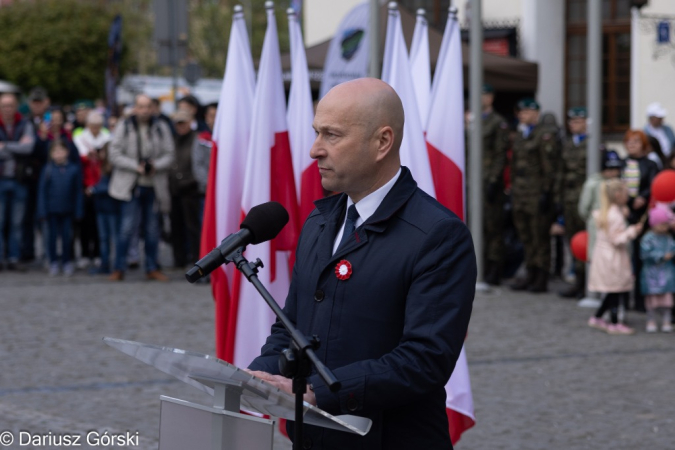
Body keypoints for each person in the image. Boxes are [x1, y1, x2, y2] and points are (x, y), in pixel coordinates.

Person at [247, 78, 476, 450]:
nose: (314, 150)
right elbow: (292, 325)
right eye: (316, 133)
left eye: (331, 135)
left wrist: (318, 392)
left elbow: (424, 359)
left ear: (382, 142)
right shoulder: (321, 220)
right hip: (313, 438)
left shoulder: (437, 235)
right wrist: (259, 376)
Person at [108, 94, 174, 282]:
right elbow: (114, 153)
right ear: (135, 108)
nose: (144, 110)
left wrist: (156, 165)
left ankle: (152, 267)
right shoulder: (125, 125)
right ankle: (118, 267)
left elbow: (170, 154)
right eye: (141, 106)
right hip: (131, 186)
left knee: (153, 229)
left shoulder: (161, 127)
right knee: (126, 228)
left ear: (152, 108)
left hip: (153, 186)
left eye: (148, 106)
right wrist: (134, 165)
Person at [510, 98, 560, 292]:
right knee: (526, 235)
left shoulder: (544, 135)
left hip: (537, 192)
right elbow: (514, 165)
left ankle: (542, 275)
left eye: (526, 112)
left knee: (540, 236)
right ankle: (530, 271)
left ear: (535, 113)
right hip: (521, 192)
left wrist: (547, 192)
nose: (522, 115)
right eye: (520, 113)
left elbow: (549, 168)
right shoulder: (522, 134)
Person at [587, 179, 642, 335]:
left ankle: (598, 317)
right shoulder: (615, 216)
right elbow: (617, 239)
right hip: (613, 259)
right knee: (615, 291)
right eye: (626, 193)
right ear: (618, 195)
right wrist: (633, 231)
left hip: (605, 257)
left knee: (612, 291)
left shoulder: (607, 212)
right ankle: (614, 322)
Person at [622, 129, 659, 311]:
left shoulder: (650, 165)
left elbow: (653, 186)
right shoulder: (622, 164)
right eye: (629, 141)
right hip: (623, 214)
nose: (632, 145)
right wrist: (626, 202)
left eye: (636, 142)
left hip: (642, 217)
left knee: (640, 258)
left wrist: (643, 197)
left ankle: (640, 298)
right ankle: (621, 298)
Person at [36, 140, 84, 276]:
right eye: (55, 152)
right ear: (51, 154)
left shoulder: (73, 169)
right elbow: (42, 192)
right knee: (51, 238)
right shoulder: (47, 169)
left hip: (68, 210)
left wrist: (78, 210)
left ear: (67, 152)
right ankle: (53, 261)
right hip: (52, 210)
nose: (58, 155)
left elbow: (77, 192)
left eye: (61, 151)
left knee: (67, 237)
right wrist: (42, 210)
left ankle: (66, 261)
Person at [0, 92, 35, 271]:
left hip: (19, 180)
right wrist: (16, 147)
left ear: (15, 107)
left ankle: (14, 257)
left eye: (10, 105)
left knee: (17, 222)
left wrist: (5, 146)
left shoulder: (24, 123)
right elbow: (21, 148)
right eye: (4, 105)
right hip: (1, 180)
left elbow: (28, 148)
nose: (7, 109)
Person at [557, 107, 589, 299]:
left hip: (583, 199)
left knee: (586, 239)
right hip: (568, 198)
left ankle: (586, 281)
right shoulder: (567, 144)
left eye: (578, 121)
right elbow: (560, 172)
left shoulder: (593, 144)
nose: (574, 125)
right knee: (572, 239)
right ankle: (577, 280)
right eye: (572, 122)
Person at [73, 111, 111, 270]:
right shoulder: (80, 138)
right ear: (88, 125)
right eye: (92, 126)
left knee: (98, 223)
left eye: (98, 126)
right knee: (84, 222)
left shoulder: (107, 137)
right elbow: (78, 160)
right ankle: (84, 253)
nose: (95, 129)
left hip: (101, 185)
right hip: (84, 185)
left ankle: (96, 254)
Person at [480, 84, 509, 286]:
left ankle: (494, 269)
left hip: (489, 182)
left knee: (493, 228)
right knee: (476, 226)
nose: (482, 99)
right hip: (473, 182)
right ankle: (479, 265)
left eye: (485, 95)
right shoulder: (469, 120)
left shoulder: (498, 122)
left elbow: (500, 155)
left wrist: (493, 181)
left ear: (491, 98)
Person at [168, 110, 202, 268]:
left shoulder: (197, 139)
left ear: (190, 122)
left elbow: (200, 165)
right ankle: (179, 259)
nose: (180, 126)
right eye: (177, 123)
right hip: (175, 190)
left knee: (193, 227)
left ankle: (197, 258)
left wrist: (191, 181)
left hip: (191, 190)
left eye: (183, 122)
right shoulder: (173, 139)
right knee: (176, 227)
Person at [578, 148, 623, 265]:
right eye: (610, 169)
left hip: (616, 228)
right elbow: (584, 208)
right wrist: (593, 219)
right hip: (597, 227)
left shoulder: (620, 184)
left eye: (616, 169)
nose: (614, 172)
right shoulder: (593, 184)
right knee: (597, 261)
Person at [639, 205, 675, 333]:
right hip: (651, 273)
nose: (664, 227)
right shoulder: (648, 238)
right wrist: (660, 256)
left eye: (666, 224)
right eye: (661, 224)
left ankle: (666, 320)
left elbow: (672, 247)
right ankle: (651, 320)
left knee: (667, 300)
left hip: (666, 273)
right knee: (651, 301)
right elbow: (644, 254)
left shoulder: (668, 238)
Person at [89, 144, 119, 275]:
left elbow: (110, 187)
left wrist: (94, 189)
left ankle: (117, 265)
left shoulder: (113, 168)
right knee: (103, 238)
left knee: (114, 238)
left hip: (112, 208)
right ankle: (105, 264)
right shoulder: (99, 165)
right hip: (101, 208)